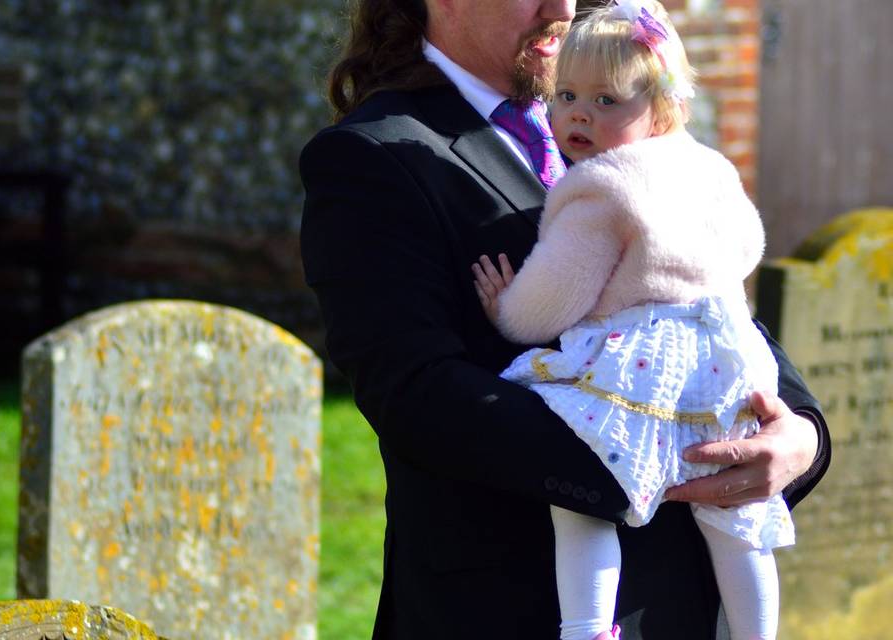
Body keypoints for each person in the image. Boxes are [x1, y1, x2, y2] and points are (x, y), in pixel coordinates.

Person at [299, 0, 831, 638]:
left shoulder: (625, 109)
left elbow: (702, 298)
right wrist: (641, 460)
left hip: (683, 608)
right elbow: (415, 392)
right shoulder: (373, 155)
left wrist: (801, 434)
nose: (564, 9)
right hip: (508, 609)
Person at [470, 3, 794, 639]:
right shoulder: (709, 166)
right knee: (735, 515)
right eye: (564, 95)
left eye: (607, 99)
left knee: (584, 497)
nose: (579, 114)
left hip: (638, 369)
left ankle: (587, 628)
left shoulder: (600, 188)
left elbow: (553, 297)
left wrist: (505, 310)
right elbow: (748, 246)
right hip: (728, 360)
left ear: (662, 106)